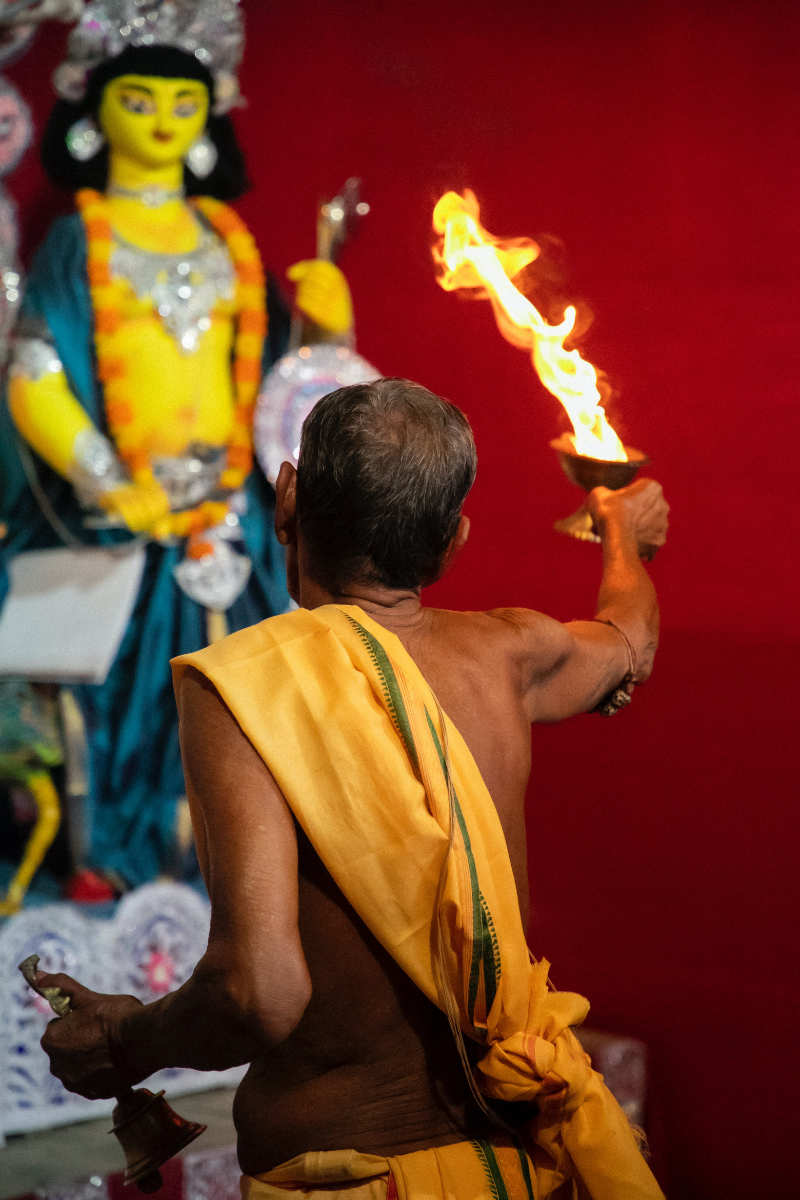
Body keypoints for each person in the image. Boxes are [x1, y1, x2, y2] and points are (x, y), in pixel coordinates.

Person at [36, 379, 669, 1198]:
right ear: (453, 544)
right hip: (510, 1174)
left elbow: (258, 993)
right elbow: (629, 638)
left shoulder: (243, 687)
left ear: (287, 497)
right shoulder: (511, 656)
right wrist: (623, 535)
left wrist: (129, 1041)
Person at [0, 20, 352, 892]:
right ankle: (114, 885)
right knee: (119, 716)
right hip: (116, 527)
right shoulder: (79, 240)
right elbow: (35, 370)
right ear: (93, 114)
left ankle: (240, 893)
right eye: (139, 100)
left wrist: (331, 329)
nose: (162, 120)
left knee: (257, 712)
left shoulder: (229, 239)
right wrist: (108, 479)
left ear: (212, 116)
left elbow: (283, 389)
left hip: (232, 528)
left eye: (183, 102)